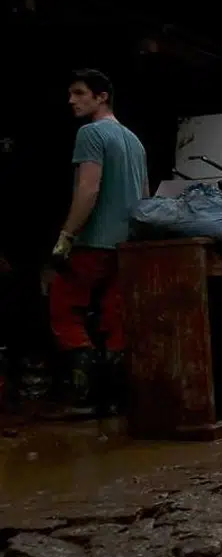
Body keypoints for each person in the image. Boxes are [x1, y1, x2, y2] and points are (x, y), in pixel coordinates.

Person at [49, 70, 148, 415]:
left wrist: (67, 235)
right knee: (114, 317)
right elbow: (145, 197)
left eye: (79, 93)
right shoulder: (134, 141)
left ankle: (82, 396)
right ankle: (117, 399)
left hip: (94, 242)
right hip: (128, 245)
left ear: (101, 96)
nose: (71, 101)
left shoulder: (90, 133)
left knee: (64, 306)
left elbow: (88, 189)